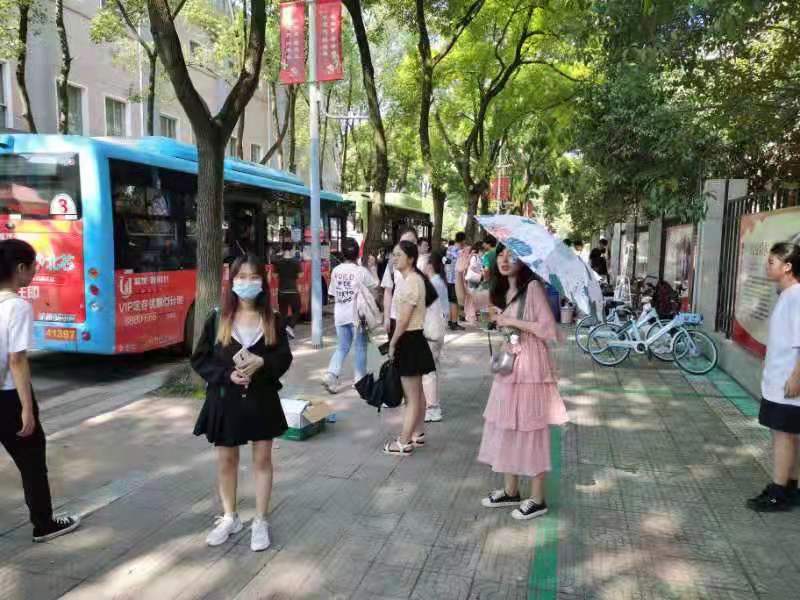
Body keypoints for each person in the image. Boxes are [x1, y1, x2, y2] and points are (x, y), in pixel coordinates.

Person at [191, 254, 293, 551]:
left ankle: (260, 520)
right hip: (225, 400)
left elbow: (284, 357)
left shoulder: (272, 319)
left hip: (262, 399)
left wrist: (263, 362)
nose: (247, 283)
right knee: (227, 460)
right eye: (241, 277)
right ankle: (230, 517)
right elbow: (200, 359)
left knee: (262, 460)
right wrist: (226, 375)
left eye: (253, 277)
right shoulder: (217, 318)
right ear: (232, 280)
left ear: (263, 281)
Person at [477, 245, 568, 520]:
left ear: (524, 260)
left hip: (531, 365)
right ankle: (511, 490)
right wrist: (499, 321)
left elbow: (548, 329)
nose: (505, 259)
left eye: (511, 255)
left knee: (531, 425)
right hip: (509, 362)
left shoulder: (533, 288)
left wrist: (512, 321)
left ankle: (538, 499)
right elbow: (469, 301)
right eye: (501, 254)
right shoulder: (501, 290)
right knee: (506, 422)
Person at [0, 240, 81, 543]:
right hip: (8, 397)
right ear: (20, 268)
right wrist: (27, 408)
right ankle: (44, 525)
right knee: (32, 461)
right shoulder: (16, 306)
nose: (35, 271)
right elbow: (17, 360)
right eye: (33, 265)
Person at [747, 242, 800, 511]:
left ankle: (778, 492)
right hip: (779, 381)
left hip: (787, 384)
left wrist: (796, 377)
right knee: (789, 435)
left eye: (771, 262)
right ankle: (790, 487)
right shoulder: (788, 294)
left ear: (788, 266)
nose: (767, 266)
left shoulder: (797, 296)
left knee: (783, 435)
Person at [385, 241, 437, 455]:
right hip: (413, 340)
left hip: (409, 340)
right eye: (393, 254)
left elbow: (404, 320)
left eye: (399, 255)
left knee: (412, 397)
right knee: (417, 394)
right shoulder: (411, 279)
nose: (394, 258)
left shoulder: (412, 281)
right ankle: (418, 433)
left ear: (411, 258)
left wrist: (392, 343)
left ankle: (403, 442)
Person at [323, 238, 378, 393]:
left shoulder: (336, 271)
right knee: (360, 347)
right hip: (358, 316)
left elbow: (333, 293)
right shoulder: (361, 271)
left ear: (342, 253)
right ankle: (359, 380)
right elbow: (375, 286)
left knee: (342, 347)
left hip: (340, 315)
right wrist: (373, 268)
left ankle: (331, 374)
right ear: (357, 254)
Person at [423, 249, 449, 423]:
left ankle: (432, 407)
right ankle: (432, 404)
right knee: (432, 368)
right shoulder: (439, 281)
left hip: (431, 330)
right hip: (438, 329)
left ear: (430, 265)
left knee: (428, 370)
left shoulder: (433, 283)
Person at [382, 228, 419, 337]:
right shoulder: (393, 263)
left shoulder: (425, 263)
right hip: (396, 318)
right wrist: (386, 317)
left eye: (412, 242)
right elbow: (388, 292)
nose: (408, 246)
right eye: (404, 242)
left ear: (416, 243)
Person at [274, 244, 301, 339]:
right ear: (292, 249)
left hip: (282, 291)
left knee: (283, 313)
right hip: (293, 290)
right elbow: (300, 275)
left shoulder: (278, 262)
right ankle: (290, 327)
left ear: (282, 249)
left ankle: (281, 334)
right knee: (297, 310)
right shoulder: (296, 261)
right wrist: (293, 276)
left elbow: (274, 275)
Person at [445, 237, 465, 331]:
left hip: (448, 278)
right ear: (463, 241)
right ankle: (454, 323)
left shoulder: (449, 249)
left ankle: (450, 321)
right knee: (454, 301)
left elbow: (447, 262)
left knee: (451, 301)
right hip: (454, 280)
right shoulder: (459, 251)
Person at [463, 242, 484, 325]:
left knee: (473, 298)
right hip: (473, 279)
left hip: (475, 279)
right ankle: (470, 316)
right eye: (482, 249)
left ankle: (471, 315)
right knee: (471, 298)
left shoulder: (477, 257)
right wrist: (480, 272)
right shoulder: (474, 257)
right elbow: (472, 267)